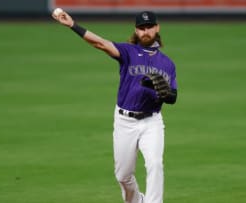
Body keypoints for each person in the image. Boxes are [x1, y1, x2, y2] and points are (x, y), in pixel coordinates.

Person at [52, 10, 178, 203]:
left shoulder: (168, 64)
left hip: (152, 122)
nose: (145, 31)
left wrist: (167, 94)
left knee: (155, 164)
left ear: (157, 28)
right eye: (141, 28)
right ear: (136, 30)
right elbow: (100, 43)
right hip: (125, 122)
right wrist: (73, 25)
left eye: (149, 27)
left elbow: (173, 97)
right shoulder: (128, 52)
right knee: (123, 176)